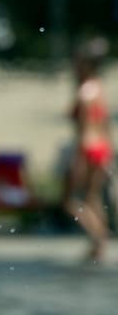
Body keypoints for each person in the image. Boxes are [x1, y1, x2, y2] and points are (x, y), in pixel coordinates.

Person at [65, 37, 113, 261]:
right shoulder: (98, 88)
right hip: (103, 146)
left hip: (87, 147)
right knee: (93, 198)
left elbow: (84, 130)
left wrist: (79, 158)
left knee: (71, 201)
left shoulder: (84, 92)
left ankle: (99, 238)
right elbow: (104, 124)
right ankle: (98, 247)